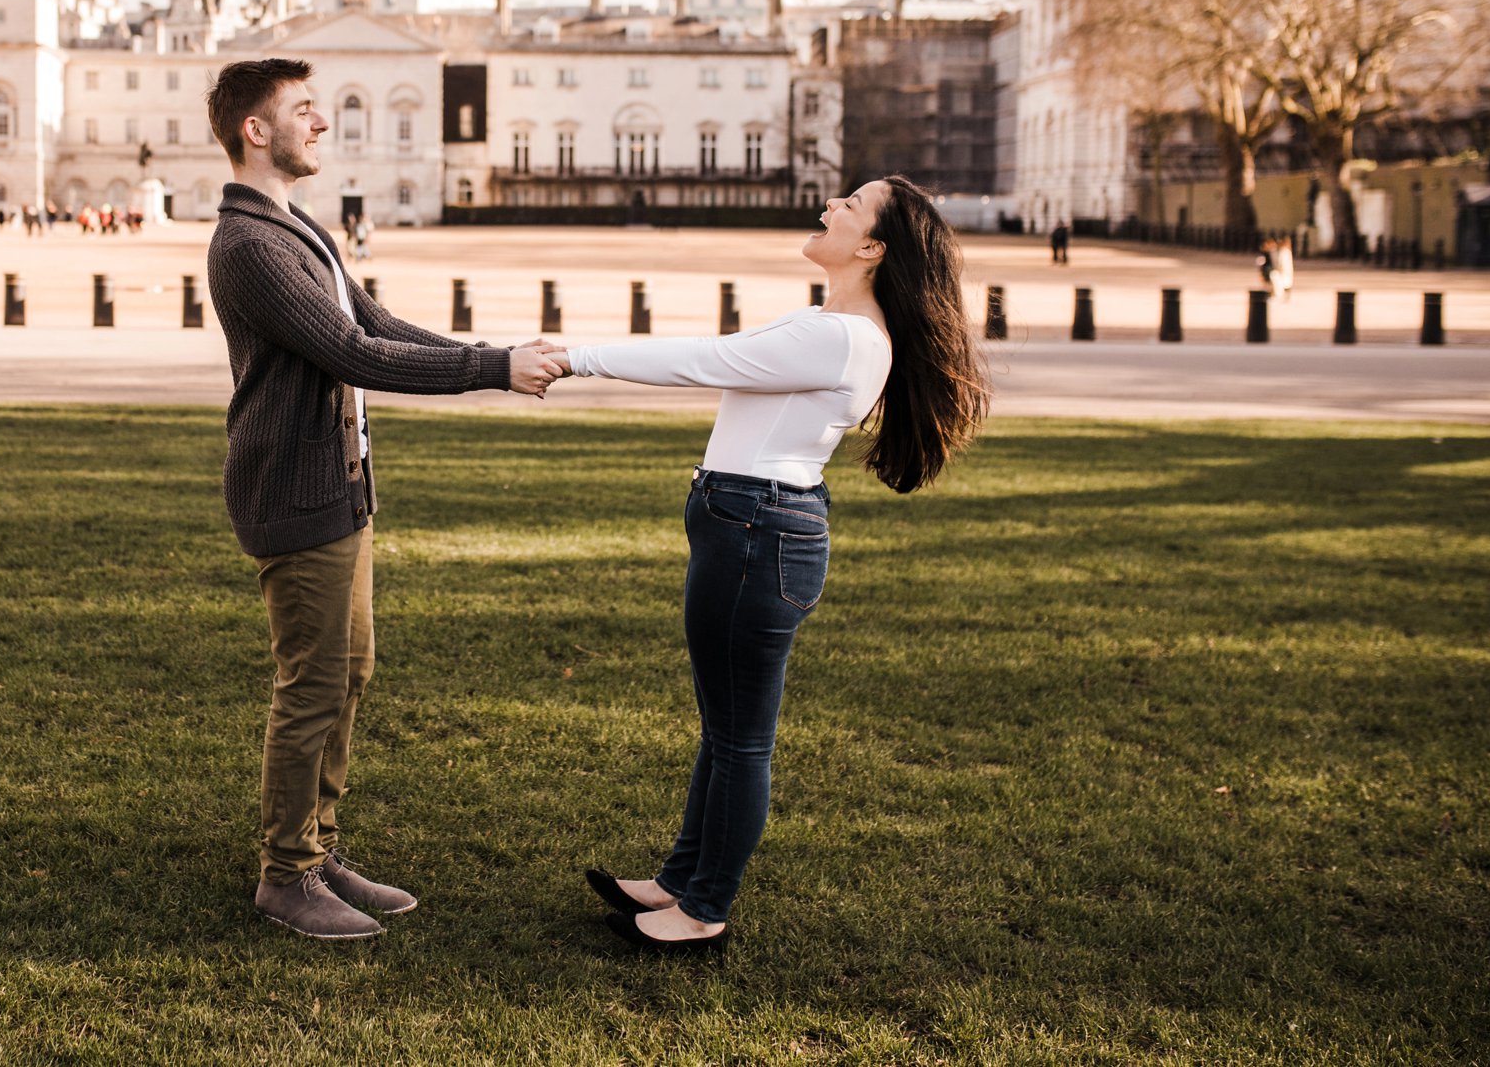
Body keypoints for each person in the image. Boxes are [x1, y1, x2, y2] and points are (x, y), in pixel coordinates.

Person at [560, 175, 989, 952]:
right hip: (749, 523)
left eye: (850, 205)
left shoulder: (843, 336)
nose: (829, 205)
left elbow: (705, 359)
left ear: (871, 247)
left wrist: (574, 356)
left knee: (741, 737)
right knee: (724, 728)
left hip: (757, 531)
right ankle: (680, 879)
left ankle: (702, 910)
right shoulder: (829, 323)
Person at [205, 57, 562, 942]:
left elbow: (379, 325)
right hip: (293, 491)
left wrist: (491, 352)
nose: (321, 124)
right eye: (302, 111)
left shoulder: (295, 228)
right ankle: (285, 875)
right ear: (256, 129)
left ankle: (318, 851)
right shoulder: (250, 244)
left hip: (341, 487)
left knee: (348, 673)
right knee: (312, 684)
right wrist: (492, 371)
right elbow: (353, 354)